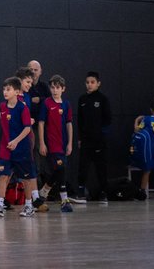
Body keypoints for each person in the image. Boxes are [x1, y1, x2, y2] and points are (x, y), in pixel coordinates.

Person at [0, 76, 44, 217]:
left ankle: (28, 205)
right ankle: (0, 205)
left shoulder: (23, 108)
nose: (5, 92)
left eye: (8, 89)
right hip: (6, 148)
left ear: (17, 92)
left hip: (21, 148)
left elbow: (27, 128)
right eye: (4, 89)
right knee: (3, 175)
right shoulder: (2, 106)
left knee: (26, 179)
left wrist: (16, 141)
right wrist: (8, 142)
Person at [38, 74, 76, 211]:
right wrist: (42, 143)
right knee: (61, 168)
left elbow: (69, 124)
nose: (54, 90)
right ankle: (64, 200)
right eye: (52, 87)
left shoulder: (66, 105)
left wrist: (70, 143)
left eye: (57, 87)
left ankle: (44, 192)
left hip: (63, 143)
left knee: (58, 170)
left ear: (63, 89)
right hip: (51, 143)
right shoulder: (47, 103)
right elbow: (41, 123)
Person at [76, 71, 111, 202]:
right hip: (86, 140)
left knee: (101, 167)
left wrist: (101, 136)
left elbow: (108, 120)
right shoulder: (82, 99)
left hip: (99, 141)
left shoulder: (102, 99)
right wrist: (80, 138)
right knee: (83, 166)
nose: (89, 85)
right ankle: (81, 191)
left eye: (92, 82)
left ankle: (103, 192)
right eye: (87, 82)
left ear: (98, 83)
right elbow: (80, 120)